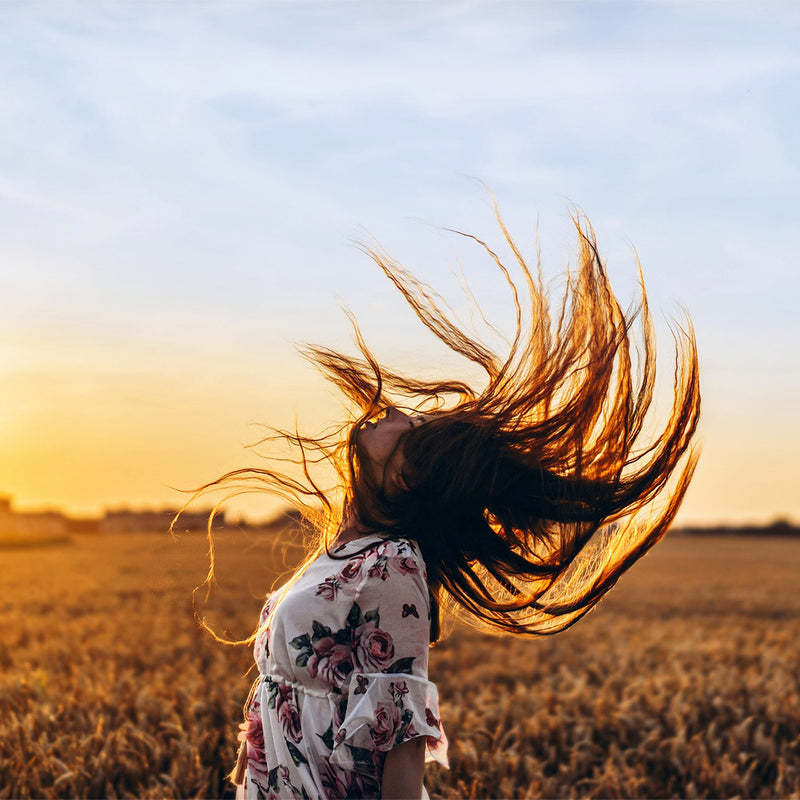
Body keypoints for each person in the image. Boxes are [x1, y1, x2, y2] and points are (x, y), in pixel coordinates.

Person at [198, 207, 700, 799]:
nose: (392, 413)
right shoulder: (344, 552)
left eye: (407, 430)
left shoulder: (392, 566)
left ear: (406, 480)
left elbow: (399, 741)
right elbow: (282, 694)